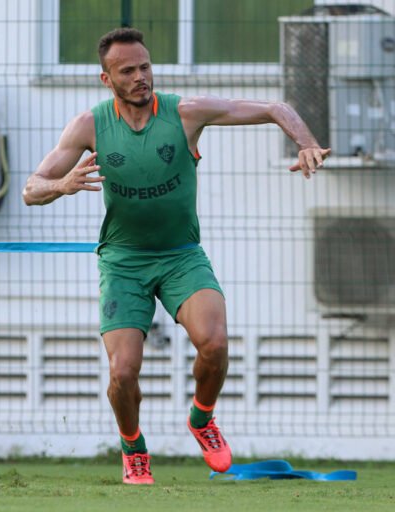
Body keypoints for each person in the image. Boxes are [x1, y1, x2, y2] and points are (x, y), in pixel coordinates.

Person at [22, 28, 330, 485]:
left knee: (216, 344)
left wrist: (305, 141)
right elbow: (31, 189)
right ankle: (134, 451)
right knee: (123, 372)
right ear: (106, 79)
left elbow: (273, 107)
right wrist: (62, 185)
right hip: (123, 263)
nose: (141, 77)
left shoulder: (185, 113)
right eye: (128, 71)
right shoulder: (89, 125)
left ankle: (202, 419)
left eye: (145, 67)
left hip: (182, 257)